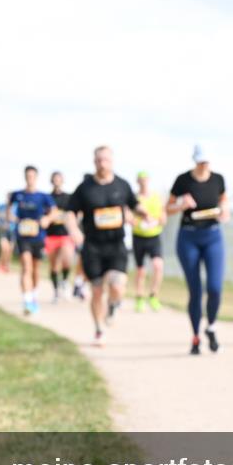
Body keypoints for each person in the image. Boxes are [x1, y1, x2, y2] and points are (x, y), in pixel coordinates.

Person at [65, 146, 145, 347]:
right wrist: (74, 230)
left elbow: (134, 205)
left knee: (117, 286)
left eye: (106, 160)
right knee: (97, 290)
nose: (102, 164)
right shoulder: (85, 188)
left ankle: (113, 305)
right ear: (94, 162)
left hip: (116, 244)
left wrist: (145, 214)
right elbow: (69, 212)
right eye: (99, 160)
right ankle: (99, 329)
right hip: (93, 246)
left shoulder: (122, 185)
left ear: (112, 161)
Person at [167, 145, 230, 354]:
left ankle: (211, 327)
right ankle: (195, 337)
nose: (204, 164)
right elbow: (167, 208)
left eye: (207, 161)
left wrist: (224, 213)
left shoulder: (218, 179)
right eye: (201, 161)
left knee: (215, 288)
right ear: (194, 160)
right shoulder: (183, 180)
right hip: (188, 237)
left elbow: (224, 203)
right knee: (196, 290)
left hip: (212, 236)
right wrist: (180, 205)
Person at [8, 166, 56, 316]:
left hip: (38, 236)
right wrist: (11, 216)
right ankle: (27, 300)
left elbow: (54, 211)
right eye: (27, 176)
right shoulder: (18, 194)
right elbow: (9, 208)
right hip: (23, 236)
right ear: (24, 177)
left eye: (32, 176)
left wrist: (47, 219)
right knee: (26, 266)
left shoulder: (43, 196)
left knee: (35, 269)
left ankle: (33, 295)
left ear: (36, 177)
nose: (30, 178)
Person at [132, 171, 166, 313]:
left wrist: (155, 221)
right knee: (141, 271)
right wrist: (137, 223)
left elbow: (163, 218)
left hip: (154, 236)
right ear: (138, 181)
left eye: (145, 179)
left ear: (149, 180)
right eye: (141, 180)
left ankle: (153, 296)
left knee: (158, 266)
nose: (143, 182)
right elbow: (129, 216)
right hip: (139, 236)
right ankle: (139, 298)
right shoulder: (134, 198)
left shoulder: (157, 197)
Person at [45, 171, 76, 302]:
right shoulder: (47, 198)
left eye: (59, 179)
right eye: (55, 179)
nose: (57, 181)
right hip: (51, 235)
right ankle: (56, 290)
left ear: (62, 181)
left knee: (67, 258)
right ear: (52, 181)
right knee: (53, 265)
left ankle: (64, 281)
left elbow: (75, 213)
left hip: (65, 234)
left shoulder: (69, 197)